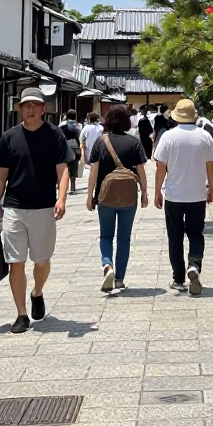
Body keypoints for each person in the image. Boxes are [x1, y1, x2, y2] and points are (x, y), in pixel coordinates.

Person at [0, 88, 69, 334]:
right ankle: (21, 314)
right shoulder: (9, 137)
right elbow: (1, 175)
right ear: (19, 109)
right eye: (26, 105)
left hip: (44, 207)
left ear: (44, 108)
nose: (30, 109)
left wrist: (62, 198)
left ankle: (37, 292)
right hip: (14, 207)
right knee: (16, 262)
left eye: (35, 104)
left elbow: (63, 169)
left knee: (42, 260)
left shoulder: (55, 135)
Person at [153, 98, 213, 296]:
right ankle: (194, 265)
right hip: (197, 194)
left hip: (174, 195)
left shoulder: (168, 137)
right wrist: (211, 187)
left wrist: (157, 191)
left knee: (175, 237)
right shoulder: (205, 136)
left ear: (177, 117)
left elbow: (160, 167)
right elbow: (210, 164)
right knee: (196, 234)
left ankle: (178, 279)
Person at [86, 104, 149, 292]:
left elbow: (94, 171)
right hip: (129, 197)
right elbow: (141, 171)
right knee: (124, 239)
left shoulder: (100, 141)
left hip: (105, 196)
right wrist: (144, 192)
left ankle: (108, 265)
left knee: (106, 236)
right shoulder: (134, 142)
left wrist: (90, 195)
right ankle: (120, 279)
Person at [59, 110, 83, 194]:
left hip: (64, 148)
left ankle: (64, 187)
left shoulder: (62, 125)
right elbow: (80, 138)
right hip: (75, 148)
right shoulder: (78, 126)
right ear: (75, 116)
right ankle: (73, 187)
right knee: (73, 168)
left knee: (65, 168)